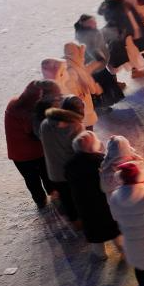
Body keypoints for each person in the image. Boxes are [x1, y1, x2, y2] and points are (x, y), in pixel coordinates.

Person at [65, 131, 123, 260]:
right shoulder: (101, 160)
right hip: (103, 202)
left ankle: (100, 254)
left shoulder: (70, 164)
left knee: (94, 230)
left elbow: (67, 180)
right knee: (113, 227)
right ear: (93, 146)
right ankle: (121, 248)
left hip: (84, 204)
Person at [5, 82, 53, 209]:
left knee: (31, 180)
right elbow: (35, 133)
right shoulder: (28, 112)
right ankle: (53, 197)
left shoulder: (13, 103)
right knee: (46, 175)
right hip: (34, 152)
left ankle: (40, 201)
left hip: (17, 154)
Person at [40, 95, 84, 223]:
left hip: (53, 171)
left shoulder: (45, 123)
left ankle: (74, 220)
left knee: (65, 197)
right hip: (71, 172)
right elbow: (81, 151)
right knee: (77, 197)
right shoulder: (75, 126)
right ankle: (80, 220)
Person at [98, 0, 144, 78]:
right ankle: (133, 70)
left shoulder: (124, 4)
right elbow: (101, 12)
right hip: (117, 33)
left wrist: (136, 31)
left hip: (126, 31)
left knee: (131, 50)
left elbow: (132, 18)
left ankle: (137, 69)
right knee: (122, 52)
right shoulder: (108, 4)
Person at [59, 44, 102, 128]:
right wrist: (78, 98)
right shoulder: (71, 70)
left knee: (86, 123)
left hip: (82, 103)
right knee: (85, 125)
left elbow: (85, 75)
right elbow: (70, 87)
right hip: (81, 104)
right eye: (78, 53)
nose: (81, 57)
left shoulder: (75, 64)